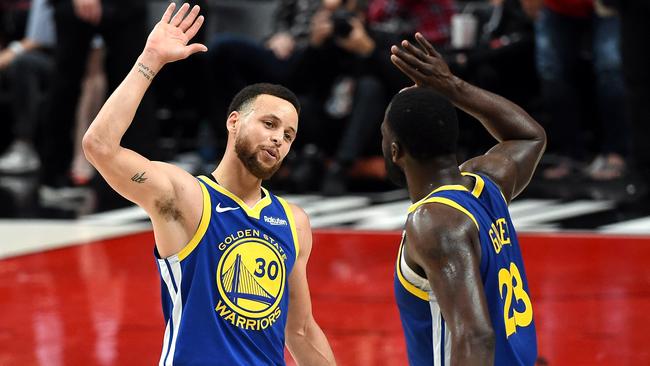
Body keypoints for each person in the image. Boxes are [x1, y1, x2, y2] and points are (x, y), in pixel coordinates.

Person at [82, 4, 336, 365]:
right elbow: (99, 147)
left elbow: (301, 330)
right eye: (268, 123)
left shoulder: (294, 223)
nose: (279, 138)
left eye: (288, 134)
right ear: (233, 122)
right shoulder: (186, 196)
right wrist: (151, 59)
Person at [385, 33, 545, 365]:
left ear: (395, 151)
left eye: (383, 135)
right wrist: (451, 86)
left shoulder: (434, 221)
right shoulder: (485, 183)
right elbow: (528, 135)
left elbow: (475, 336)